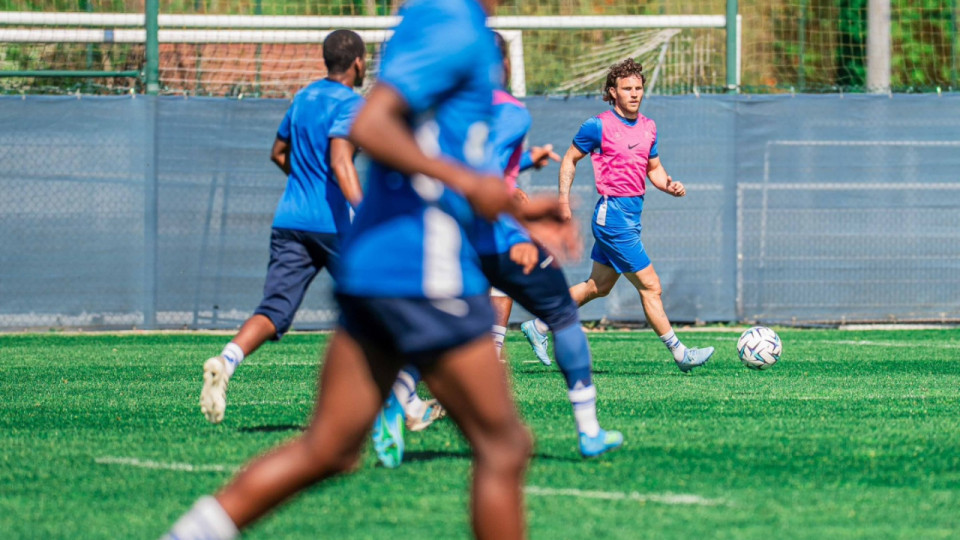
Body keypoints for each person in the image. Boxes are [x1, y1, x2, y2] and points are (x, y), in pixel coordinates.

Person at [162, 1, 576, 538]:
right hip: (423, 273)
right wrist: (472, 186)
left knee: (329, 449)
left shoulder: (434, 21)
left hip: (380, 268)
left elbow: (431, 154)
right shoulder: (454, 25)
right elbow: (374, 125)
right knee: (504, 445)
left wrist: (514, 209)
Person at [371, 32, 622, 469]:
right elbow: (480, 175)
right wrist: (527, 216)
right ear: (502, 65)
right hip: (498, 237)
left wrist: (524, 162)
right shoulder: (510, 111)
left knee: (444, 330)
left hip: (449, 240)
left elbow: (454, 165)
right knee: (563, 316)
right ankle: (589, 431)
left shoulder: (441, 110)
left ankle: (397, 399)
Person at [197, 29, 444, 430]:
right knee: (393, 304)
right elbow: (342, 161)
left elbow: (279, 152)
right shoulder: (351, 105)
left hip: (290, 220)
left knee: (274, 310)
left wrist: (305, 184)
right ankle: (408, 403)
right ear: (359, 63)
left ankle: (226, 361)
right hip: (334, 224)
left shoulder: (303, 98)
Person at [521, 58, 715, 373]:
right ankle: (681, 354)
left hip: (630, 217)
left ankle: (540, 326)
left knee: (599, 286)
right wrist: (563, 201)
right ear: (613, 92)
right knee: (651, 286)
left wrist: (669, 185)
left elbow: (653, 168)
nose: (635, 94)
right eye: (627, 89)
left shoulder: (649, 126)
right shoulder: (597, 125)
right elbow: (570, 159)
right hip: (613, 219)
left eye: (638, 88)